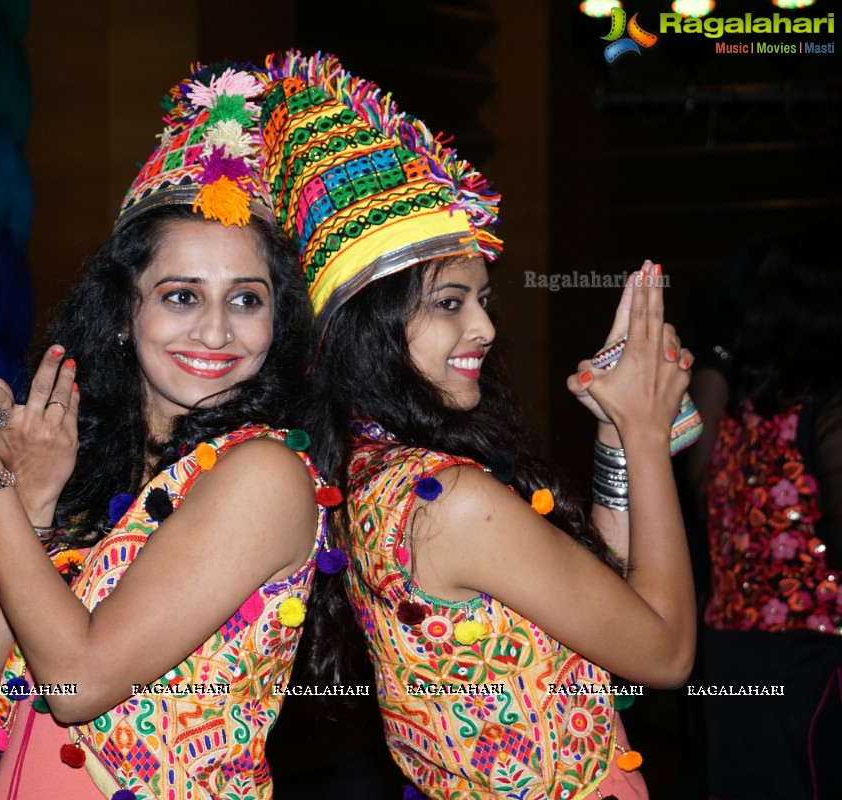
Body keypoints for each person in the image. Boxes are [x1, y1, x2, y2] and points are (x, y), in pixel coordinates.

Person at [0, 63, 333, 799]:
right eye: (182, 295)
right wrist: (27, 497)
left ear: (277, 322)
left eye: (247, 300)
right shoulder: (96, 469)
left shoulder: (264, 474)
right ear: (126, 315)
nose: (216, 329)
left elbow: (78, 683)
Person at [259, 52, 697, 799]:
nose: (486, 328)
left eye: (483, 298)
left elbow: (609, 606)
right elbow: (662, 651)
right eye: (450, 301)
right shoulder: (446, 500)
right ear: (372, 324)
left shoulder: (377, 472)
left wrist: (619, 440)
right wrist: (650, 435)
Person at [689, 234, 842, 800]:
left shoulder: (745, 403)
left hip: (747, 656)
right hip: (796, 656)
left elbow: (700, 488)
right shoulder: (804, 403)